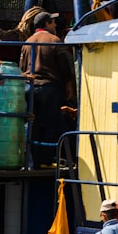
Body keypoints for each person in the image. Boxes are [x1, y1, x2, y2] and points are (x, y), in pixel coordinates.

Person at [20, 11, 77, 167]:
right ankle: (44, 160)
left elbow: (22, 67)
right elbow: (65, 67)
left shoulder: (28, 42)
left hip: (29, 86)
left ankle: (30, 161)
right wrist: (69, 84)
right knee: (50, 124)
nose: (55, 24)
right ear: (46, 24)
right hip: (49, 88)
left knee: (31, 123)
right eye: (52, 22)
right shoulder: (55, 40)